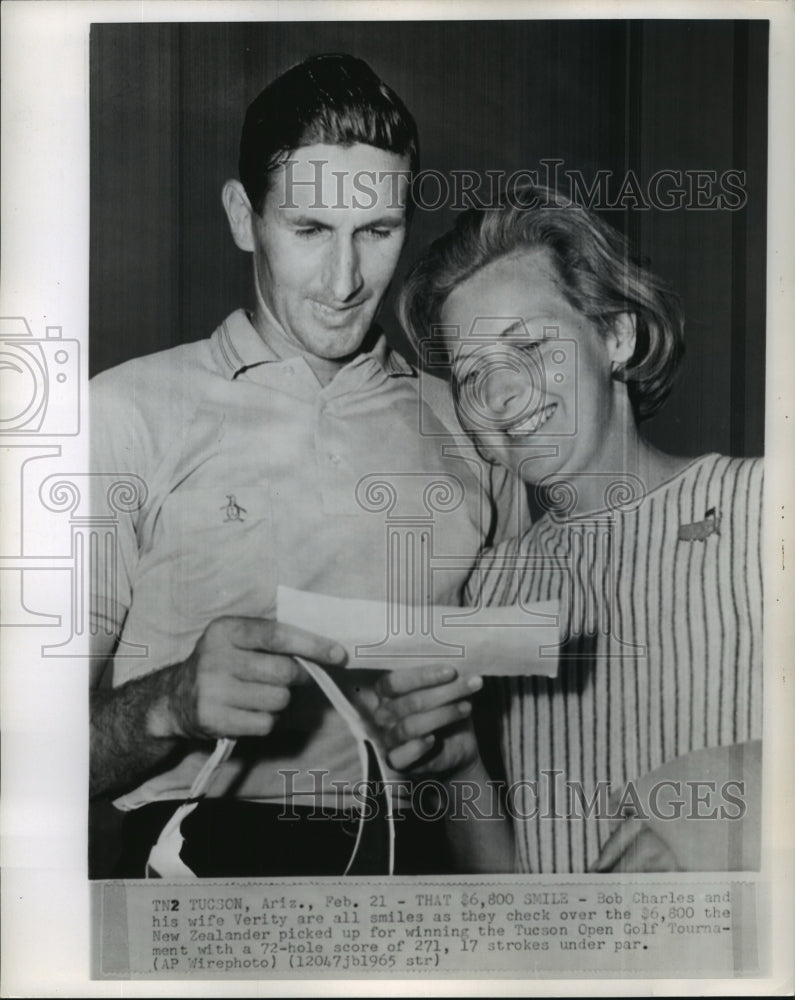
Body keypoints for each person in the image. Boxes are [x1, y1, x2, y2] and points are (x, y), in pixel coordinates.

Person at [89, 54, 521, 878]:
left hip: (420, 877)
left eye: (377, 232)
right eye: (310, 230)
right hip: (197, 880)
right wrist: (167, 706)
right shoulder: (122, 414)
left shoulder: (470, 426)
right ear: (242, 216)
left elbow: (507, 759)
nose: (344, 281)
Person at [374, 184, 763, 873]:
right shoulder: (489, 593)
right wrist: (460, 765)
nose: (500, 395)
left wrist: (726, 798)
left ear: (616, 335)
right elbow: (521, 911)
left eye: (527, 344)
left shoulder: (761, 507)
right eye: (470, 374)